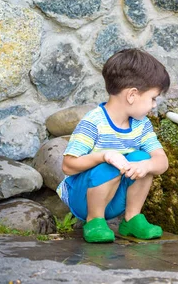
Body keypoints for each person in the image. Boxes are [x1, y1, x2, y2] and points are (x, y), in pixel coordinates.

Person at [56, 48, 170, 243]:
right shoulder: (93, 123)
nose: (153, 105)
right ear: (132, 95)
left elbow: (162, 161)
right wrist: (104, 155)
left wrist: (146, 166)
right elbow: (68, 166)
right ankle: (94, 221)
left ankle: (131, 219)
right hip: (83, 199)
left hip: (115, 198)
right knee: (110, 165)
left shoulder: (141, 125)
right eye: (153, 98)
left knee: (143, 159)